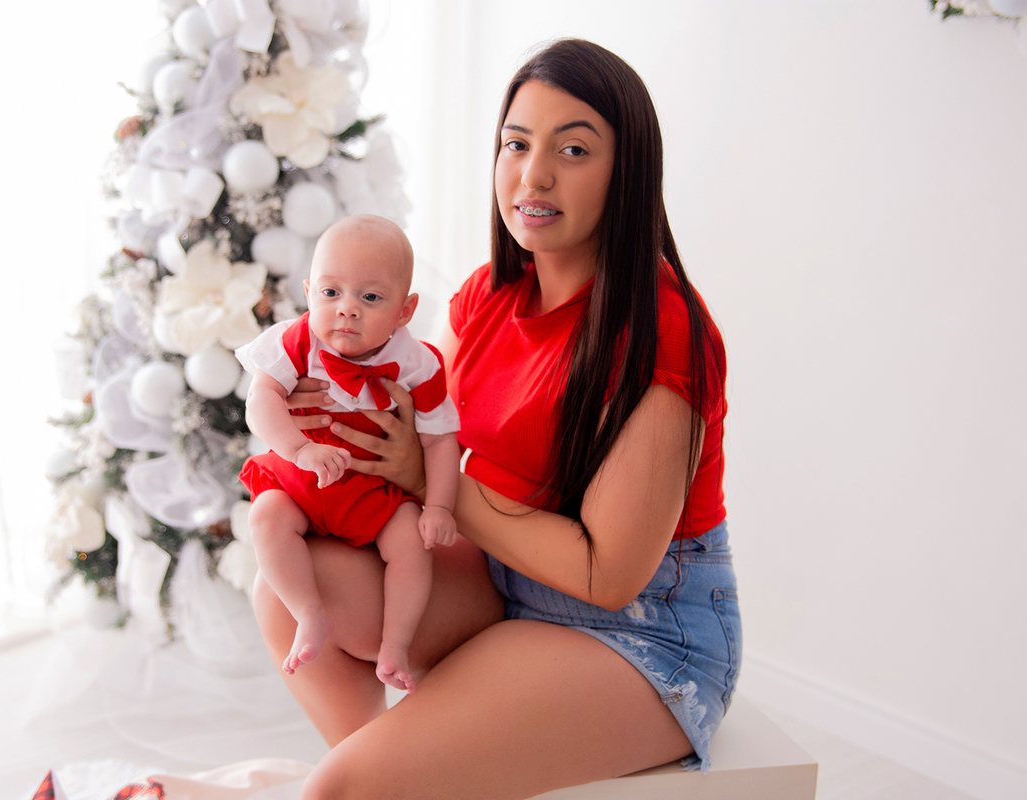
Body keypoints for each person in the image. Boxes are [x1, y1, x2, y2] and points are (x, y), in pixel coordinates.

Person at [252, 38, 739, 799]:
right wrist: (331, 401)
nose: (533, 174)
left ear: (627, 172)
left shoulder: (662, 328)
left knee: (337, 789)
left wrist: (422, 473)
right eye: (517, 144)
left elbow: (606, 575)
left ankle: (366, 783)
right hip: (500, 580)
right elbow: (416, 430)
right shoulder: (491, 294)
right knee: (285, 587)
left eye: (573, 149)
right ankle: (391, 778)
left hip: (640, 630)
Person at [237, 214, 462, 695]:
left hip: (369, 491)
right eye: (330, 293)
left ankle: (395, 645)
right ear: (308, 290)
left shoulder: (417, 363)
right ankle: (308, 614)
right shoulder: (296, 340)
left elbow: (442, 438)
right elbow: (260, 400)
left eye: (371, 297)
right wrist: (300, 449)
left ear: (404, 311)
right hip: (301, 479)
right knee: (265, 516)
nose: (347, 311)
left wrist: (439, 505)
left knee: (410, 546)